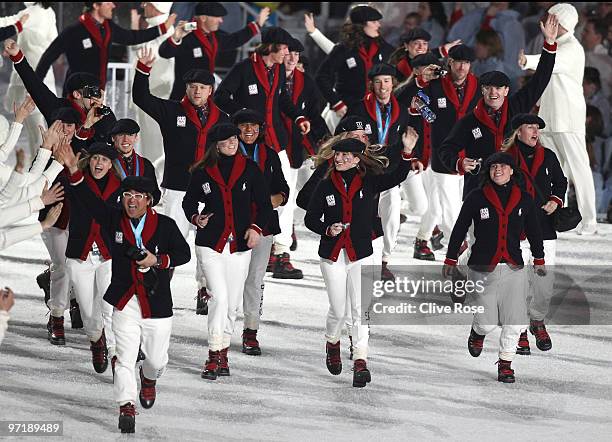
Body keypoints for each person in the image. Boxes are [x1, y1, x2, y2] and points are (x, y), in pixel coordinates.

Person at [56, 142, 191, 434]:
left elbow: (184, 255)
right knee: (125, 356)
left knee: (155, 360)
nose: (131, 200)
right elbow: (89, 200)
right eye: (126, 195)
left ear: (149, 201)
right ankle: (126, 404)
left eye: (138, 196)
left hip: (157, 304)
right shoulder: (113, 219)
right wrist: (71, 169)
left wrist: (159, 260)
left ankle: (151, 378)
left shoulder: (166, 226)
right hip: (124, 300)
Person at [304, 129, 418, 388]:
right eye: (338, 154)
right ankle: (332, 342)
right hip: (333, 256)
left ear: (357, 159)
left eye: (346, 155)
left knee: (360, 310)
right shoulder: (324, 185)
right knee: (339, 309)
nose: (340, 159)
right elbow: (311, 218)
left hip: (361, 254)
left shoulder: (369, 181)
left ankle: (360, 361)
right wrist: (326, 228)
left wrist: (407, 152)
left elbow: (397, 175)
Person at [133, 47, 229, 302]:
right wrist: (143, 70)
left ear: (211, 91)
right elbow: (141, 98)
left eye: (203, 87)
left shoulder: (223, 119)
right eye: (193, 86)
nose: (197, 91)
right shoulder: (172, 111)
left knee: (208, 246)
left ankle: (204, 292)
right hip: (177, 188)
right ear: (186, 88)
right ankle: (159, 287)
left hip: (211, 192)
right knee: (170, 241)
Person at [442, 152, 546, 383]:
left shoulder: (524, 198)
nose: (497, 170)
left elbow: (534, 231)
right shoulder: (476, 197)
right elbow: (459, 228)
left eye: (502, 166)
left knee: (515, 320)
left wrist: (539, 258)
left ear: (511, 170)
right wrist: (450, 258)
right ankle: (477, 332)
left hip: (513, 267)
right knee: (487, 322)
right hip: (482, 266)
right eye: (492, 167)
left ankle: (506, 362)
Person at [215, 28, 310, 278]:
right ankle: (237, 243)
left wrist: (298, 116)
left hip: (274, 142)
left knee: (284, 194)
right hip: (247, 145)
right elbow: (220, 96)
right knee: (245, 194)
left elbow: (282, 100)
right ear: (271, 48)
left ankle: (279, 252)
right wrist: (242, 115)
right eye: (285, 49)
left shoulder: (278, 70)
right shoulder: (244, 68)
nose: (288, 54)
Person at [182, 123, 273, 380]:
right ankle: (212, 355)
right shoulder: (203, 171)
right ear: (216, 144)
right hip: (210, 244)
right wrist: (196, 217)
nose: (232, 143)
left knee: (232, 305)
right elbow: (189, 201)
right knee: (219, 298)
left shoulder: (251, 169)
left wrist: (255, 228)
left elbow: (265, 206)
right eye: (226, 140)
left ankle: (223, 353)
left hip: (240, 247)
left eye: (234, 138)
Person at [439, 13, 559, 201]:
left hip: (512, 190)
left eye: (498, 88)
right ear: (483, 91)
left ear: (506, 90)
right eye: (488, 88)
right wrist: (460, 163)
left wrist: (550, 44)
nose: (493, 93)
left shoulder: (516, 108)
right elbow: (446, 150)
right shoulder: (470, 121)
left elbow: (540, 80)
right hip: (478, 192)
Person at [519, 4, 597, 234]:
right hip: (549, 118)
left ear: (562, 23)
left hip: (568, 118)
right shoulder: (554, 45)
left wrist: (527, 61)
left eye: (552, 18)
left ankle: (589, 220)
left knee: (578, 168)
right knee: (553, 170)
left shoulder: (572, 48)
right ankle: (554, 215)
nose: (547, 22)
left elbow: (550, 63)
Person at [397, 45, 480, 258]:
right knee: (448, 204)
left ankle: (422, 239)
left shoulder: (478, 86)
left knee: (434, 206)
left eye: (466, 62)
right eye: (458, 62)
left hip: (469, 153)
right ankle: (458, 245)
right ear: (449, 62)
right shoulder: (435, 85)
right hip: (440, 153)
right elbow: (408, 103)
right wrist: (420, 83)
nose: (462, 67)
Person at [501, 114, 567, 354]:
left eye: (537, 127)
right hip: (516, 232)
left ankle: (537, 320)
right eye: (530, 127)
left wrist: (555, 200)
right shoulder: (506, 159)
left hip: (544, 229)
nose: (535, 131)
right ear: (518, 132)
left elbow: (561, 182)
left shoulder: (548, 156)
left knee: (544, 286)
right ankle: (518, 332)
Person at [60, 142, 122, 372]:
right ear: (90, 160)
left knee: (109, 306)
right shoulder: (75, 179)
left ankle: (116, 354)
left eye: (104, 160)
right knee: (87, 311)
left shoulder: (120, 187)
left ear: (110, 165)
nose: (99, 163)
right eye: (96, 158)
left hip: (109, 255)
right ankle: (97, 340)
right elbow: (60, 192)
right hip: (80, 255)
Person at [231, 109, 289, 356]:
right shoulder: (226, 153)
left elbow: (283, 190)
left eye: (253, 126)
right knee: (231, 282)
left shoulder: (269, 155)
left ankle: (250, 332)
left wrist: (272, 201)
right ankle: (221, 331)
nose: (249, 131)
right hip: (233, 228)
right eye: (244, 125)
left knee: (255, 280)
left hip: (264, 227)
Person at [347, 63, 410, 279]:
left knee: (391, 213)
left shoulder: (402, 110)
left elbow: (407, 139)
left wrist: (413, 156)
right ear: (371, 85)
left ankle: (384, 260)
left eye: (386, 81)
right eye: (377, 82)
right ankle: (359, 257)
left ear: (393, 83)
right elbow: (344, 134)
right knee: (362, 215)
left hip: (389, 172)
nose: (382, 86)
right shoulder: (358, 107)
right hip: (363, 171)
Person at [35, 2, 176, 93]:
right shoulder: (75, 31)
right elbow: (48, 57)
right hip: (76, 95)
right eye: (108, 3)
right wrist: (34, 89)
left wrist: (162, 28)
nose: (113, 6)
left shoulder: (109, 28)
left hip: (98, 94)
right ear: (96, 5)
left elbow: (132, 37)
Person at [158, 2, 270, 100]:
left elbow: (235, 39)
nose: (221, 21)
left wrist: (257, 24)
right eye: (217, 17)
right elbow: (165, 53)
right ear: (203, 18)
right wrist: (176, 38)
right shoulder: (186, 35)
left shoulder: (215, 36)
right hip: (183, 95)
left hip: (204, 96)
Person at [315, 5, 394, 132]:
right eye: (374, 22)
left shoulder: (383, 48)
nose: (378, 25)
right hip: (348, 111)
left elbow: (400, 64)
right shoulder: (344, 49)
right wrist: (336, 102)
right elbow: (321, 76)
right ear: (361, 25)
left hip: (376, 109)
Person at [2, 2, 57, 158]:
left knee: (36, 133)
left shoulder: (31, 12)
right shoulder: (49, 12)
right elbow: (52, 40)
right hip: (41, 76)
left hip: (29, 77)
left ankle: (38, 170)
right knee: (39, 130)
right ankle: (38, 168)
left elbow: (7, 23)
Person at [128, 1, 175, 180]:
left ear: (156, 6)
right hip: (148, 96)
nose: (142, 5)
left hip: (155, 96)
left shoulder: (164, 31)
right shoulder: (155, 29)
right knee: (149, 144)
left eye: (146, 3)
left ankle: (156, 183)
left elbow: (156, 66)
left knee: (156, 145)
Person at [110, 118, 161, 205]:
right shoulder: (105, 162)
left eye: (130, 135)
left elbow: (155, 193)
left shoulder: (146, 164)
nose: (125, 139)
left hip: (137, 215)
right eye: (121, 135)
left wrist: (144, 204)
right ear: (113, 138)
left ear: (136, 138)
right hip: (111, 214)